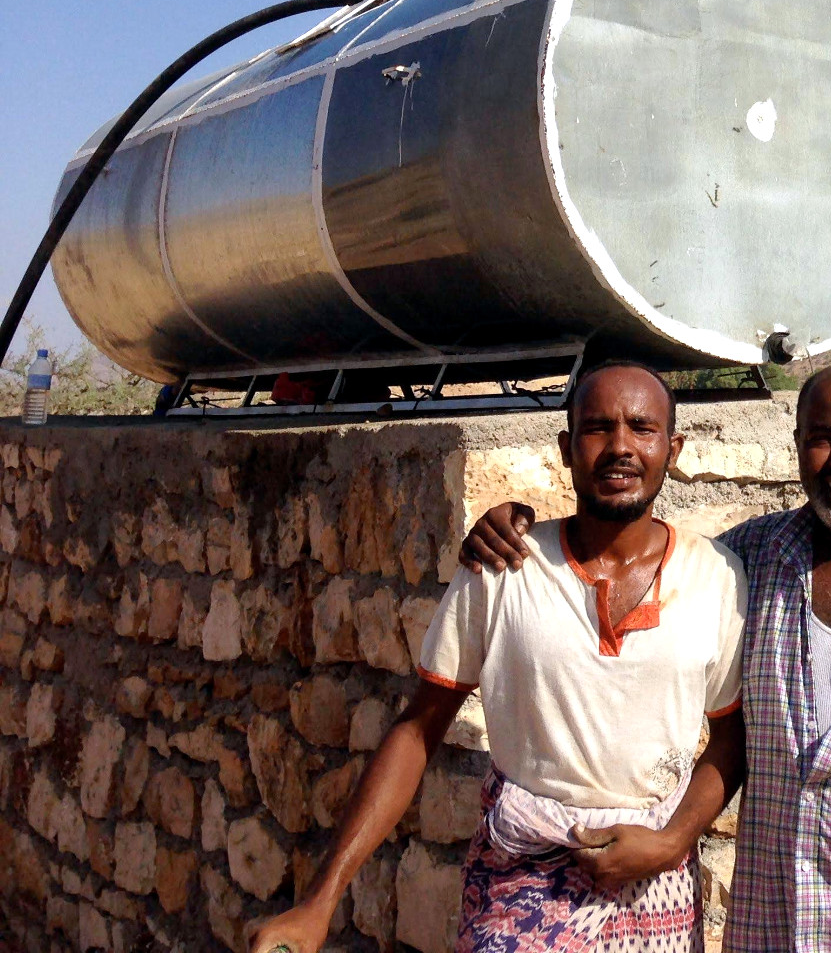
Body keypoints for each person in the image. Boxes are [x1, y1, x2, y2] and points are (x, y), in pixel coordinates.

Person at [461, 361, 831, 953]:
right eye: (821, 440)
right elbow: (637, 550)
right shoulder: (747, 562)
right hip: (778, 929)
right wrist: (513, 529)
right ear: (797, 445)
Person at [250, 363, 747, 953]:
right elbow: (420, 726)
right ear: (566, 448)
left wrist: (670, 842)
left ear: (674, 447)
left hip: (655, 891)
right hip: (518, 886)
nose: (620, 447)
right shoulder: (505, 566)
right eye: (597, 428)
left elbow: (730, 733)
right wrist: (320, 900)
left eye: (642, 428)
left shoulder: (716, 576)